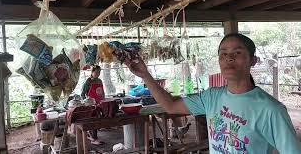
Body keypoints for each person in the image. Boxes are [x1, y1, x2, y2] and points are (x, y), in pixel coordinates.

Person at [125, 33, 301, 153]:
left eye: (237, 52)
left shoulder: (271, 110)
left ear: (253, 61)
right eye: (223, 54)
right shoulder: (212, 97)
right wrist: (145, 75)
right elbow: (170, 105)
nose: (229, 58)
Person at [81, 65, 105, 145]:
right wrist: (86, 102)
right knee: (93, 120)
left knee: (98, 119)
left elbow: (102, 92)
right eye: (96, 72)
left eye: (99, 72)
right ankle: (94, 139)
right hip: (91, 104)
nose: (98, 74)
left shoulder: (100, 81)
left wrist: (103, 99)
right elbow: (83, 94)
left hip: (99, 102)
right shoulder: (88, 81)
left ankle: (92, 136)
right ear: (92, 72)